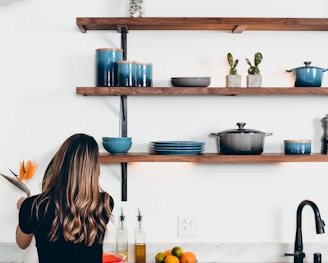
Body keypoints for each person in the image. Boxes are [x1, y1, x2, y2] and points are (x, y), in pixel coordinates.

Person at [16, 133, 114, 263]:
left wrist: (23, 208)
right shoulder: (105, 203)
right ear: (94, 169)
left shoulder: (33, 205)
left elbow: (22, 243)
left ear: (59, 163)